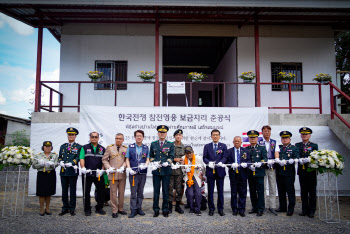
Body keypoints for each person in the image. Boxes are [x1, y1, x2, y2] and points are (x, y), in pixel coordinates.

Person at [149, 125, 174, 218]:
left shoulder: (170, 144)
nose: (162, 134)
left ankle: (165, 209)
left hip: (166, 170)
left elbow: (171, 156)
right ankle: (156, 209)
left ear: (166, 134)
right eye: (160, 132)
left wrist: (168, 162)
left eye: (164, 132)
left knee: (165, 191)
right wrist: (153, 162)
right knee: (156, 191)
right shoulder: (153, 144)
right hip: (156, 171)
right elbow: (150, 156)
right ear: (158, 133)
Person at [80, 132, 106, 216]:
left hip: (98, 174)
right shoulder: (84, 147)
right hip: (87, 173)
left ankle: (99, 208)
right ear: (90, 138)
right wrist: (83, 167)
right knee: (86, 192)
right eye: (92, 137)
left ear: (98, 138)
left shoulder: (102, 148)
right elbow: (82, 158)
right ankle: (87, 209)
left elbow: (104, 160)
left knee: (101, 191)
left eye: (96, 137)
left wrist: (102, 169)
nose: (94, 138)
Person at [203, 129, 228, 216]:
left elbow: (225, 156)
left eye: (217, 135)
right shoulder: (207, 146)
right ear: (211, 136)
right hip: (210, 171)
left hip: (220, 171)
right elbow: (204, 157)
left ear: (219, 136)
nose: (215, 136)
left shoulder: (223, 146)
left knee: (220, 190)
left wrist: (222, 162)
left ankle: (220, 209)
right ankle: (211, 208)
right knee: (210, 191)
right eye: (214, 135)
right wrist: (208, 162)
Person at [125, 130, 150, 218]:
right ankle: (133, 209)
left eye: (141, 136)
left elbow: (147, 159)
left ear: (143, 137)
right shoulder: (130, 147)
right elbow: (127, 159)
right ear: (135, 137)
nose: (139, 137)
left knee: (140, 191)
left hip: (142, 172)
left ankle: (139, 207)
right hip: (133, 172)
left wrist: (146, 165)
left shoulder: (146, 147)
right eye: (137, 136)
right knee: (133, 191)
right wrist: (129, 168)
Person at [102, 133, 128, 218]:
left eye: (120, 138)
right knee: (113, 193)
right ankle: (114, 210)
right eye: (117, 138)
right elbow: (104, 159)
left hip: (122, 174)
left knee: (121, 192)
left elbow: (127, 160)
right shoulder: (110, 148)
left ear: (123, 140)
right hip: (112, 174)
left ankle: (120, 208)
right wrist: (108, 167)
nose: (118, 140)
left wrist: (124, 166)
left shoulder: (125, 149)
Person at [58, 127, 82, 216]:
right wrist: (60, 161)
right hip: (64, 171)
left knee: (72, 190)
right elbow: (60, 156)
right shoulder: (63, 146)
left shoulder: (79, 147)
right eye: (69, 135)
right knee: (64, 190)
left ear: (75, 136)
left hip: (72, 171)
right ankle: (65, 208)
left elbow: (78, 157)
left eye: (72, 135)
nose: (70, 136)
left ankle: (72, 208)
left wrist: (72, 163)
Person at [275, 131, 299, 216]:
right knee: (281, 191)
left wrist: (292, 161)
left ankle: (291, 209)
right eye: (283, 138)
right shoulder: (279, 148)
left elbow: (296, 157)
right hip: (280, 172)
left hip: (289, 173)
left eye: (286, 138)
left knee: (290, 191)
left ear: (290, 139)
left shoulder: (294, 148)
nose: (284, 140)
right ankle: (282, 207)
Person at [296, 127, 318, 218]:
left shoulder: (314, 145)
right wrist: (299, 159)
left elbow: (316, 156)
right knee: (303, 191)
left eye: (306, 134)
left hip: (311, 171)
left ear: (309, 135)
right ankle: (304, 210)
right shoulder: (297, 145)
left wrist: (310, 159)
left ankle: (312, 210)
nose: (304, 136)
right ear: (301, 135)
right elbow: (296, 155)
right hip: (302, 171)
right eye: (303, 134)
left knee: (312, 191)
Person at [32, 141, 58, 216]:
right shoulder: (38, 156)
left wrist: (52, 164)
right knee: (41, 193)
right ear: (43, 147)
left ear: (51, 147)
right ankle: (41, 209)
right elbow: (34, 166)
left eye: (49, 146)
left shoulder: (54, 155)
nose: (47, 148)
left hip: (50, 174)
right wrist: (40, 165)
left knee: (49, 193)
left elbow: (56, 164)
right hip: (42, 175)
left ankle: (47, 208)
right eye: (46, 146)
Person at [227, 136, 251, 217]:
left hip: (243, 174)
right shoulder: (229, 151)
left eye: (238, 141)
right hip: (233, 174)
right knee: (234, 193)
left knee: (242, 193)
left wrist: (246, 164)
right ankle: (234, 209)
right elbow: (226, 161)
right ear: (233, 142)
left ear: (241, 142)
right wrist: (231, 165)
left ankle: (241, 209)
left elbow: (249, 160)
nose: (237, 142)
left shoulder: (245, 151)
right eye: (235, 141)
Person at [246, 130, 267, 217]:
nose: (253, 139)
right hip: (250, 173)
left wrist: (261, 163)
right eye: (251, 137)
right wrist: (248, 165)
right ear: (249, 139)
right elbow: (245, 159)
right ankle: (254, 207)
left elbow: (265, 158)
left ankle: (261, 208)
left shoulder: (262, 148)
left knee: (260, 191)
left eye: (254, 137)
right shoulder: (247, 149)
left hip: (259, 173)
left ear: (257, 138)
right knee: (252, 191)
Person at [259, 125, 279, 216]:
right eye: (265, 131)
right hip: (262, 167)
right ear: (262, 132)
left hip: (271, 167)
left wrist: (276, 159)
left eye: (268, 131)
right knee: (262, 187)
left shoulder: (274, 142)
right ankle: (263, 206)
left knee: (272, 186)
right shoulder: (259, 142)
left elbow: (276, 152)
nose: (267, 133)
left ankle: (272, 206)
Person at [181, 146, 205, 216]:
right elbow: (182, 169)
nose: (189, 155)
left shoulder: (198, 158)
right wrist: (185, 170)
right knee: (190, 193)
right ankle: (191, 208)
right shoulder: (183, 158)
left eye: (190, 153)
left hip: (197, 176)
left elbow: (203, 168)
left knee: (198, 193)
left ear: (193, 152)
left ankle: (197, 209)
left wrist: (203, 176)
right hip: (188, 177)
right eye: (187, 153)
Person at [168, 129, 185, 214]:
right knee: (170, 189)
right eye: (177, 135)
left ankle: (177, 206)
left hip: (179, 172)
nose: (178, 136)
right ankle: (170, 206)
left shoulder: (184, 147)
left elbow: (186, 158)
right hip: (170, 171)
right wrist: (175, 159)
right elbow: (166, 156)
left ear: (182, 136)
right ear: (174, 136)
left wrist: (183, 161)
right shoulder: (170, 145)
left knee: (179, 189)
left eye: (180, 135)